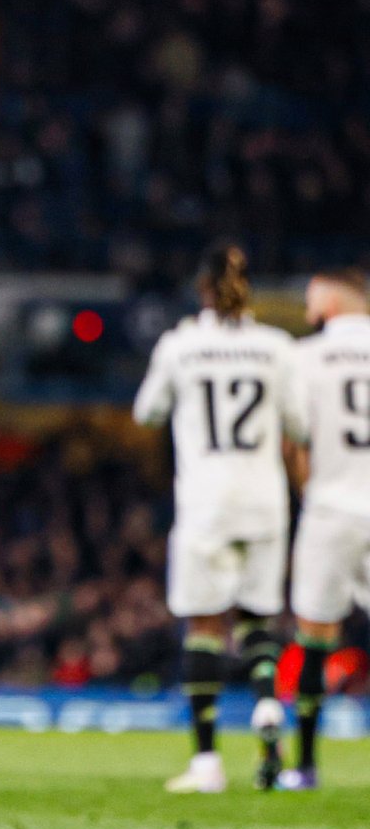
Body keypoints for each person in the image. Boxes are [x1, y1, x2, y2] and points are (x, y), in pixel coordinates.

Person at [133, 245, 306, 792]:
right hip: (264, 502)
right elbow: (300, 425)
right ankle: (267, 704)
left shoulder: (181, 345)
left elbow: (147, 412)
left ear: (202, 290)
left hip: (206, 504)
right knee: (257, 619)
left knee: (205, 625)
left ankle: (207, 762)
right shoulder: (277, 347)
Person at [278, 270, 370, 790]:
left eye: (312, 299)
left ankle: (307, 766)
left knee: (315, 637)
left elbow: (293, 439)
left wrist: (310, 490)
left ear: (331, 302)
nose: (308, 309)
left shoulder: (305, 357)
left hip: (332, 508)